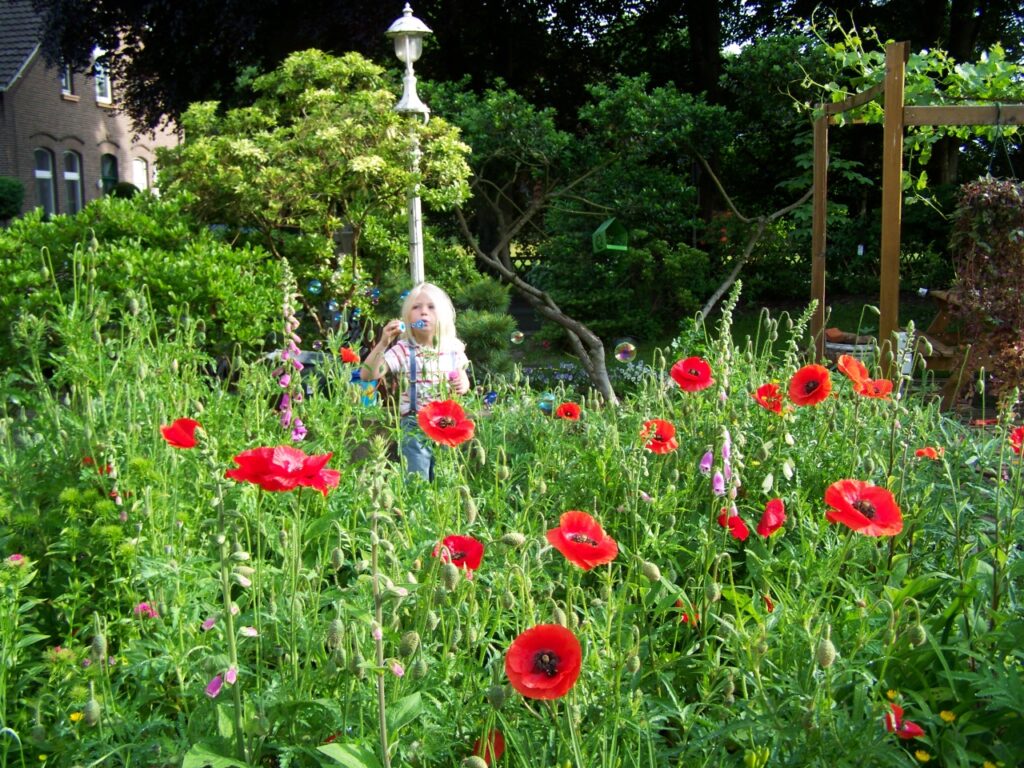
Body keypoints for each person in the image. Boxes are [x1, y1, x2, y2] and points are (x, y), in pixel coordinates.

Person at [360, 283, 470, 480]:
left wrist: (463, 383)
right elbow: (368, 375)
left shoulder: (453, 348)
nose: (423, 313)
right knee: (416, 480)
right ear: (408, 318)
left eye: (431, 307)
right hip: (414, 423)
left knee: (446, 478)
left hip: (447, 422)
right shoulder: (403, 350)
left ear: (443, 315)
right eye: (416, 307)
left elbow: (462, 376)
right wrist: (383, 343)